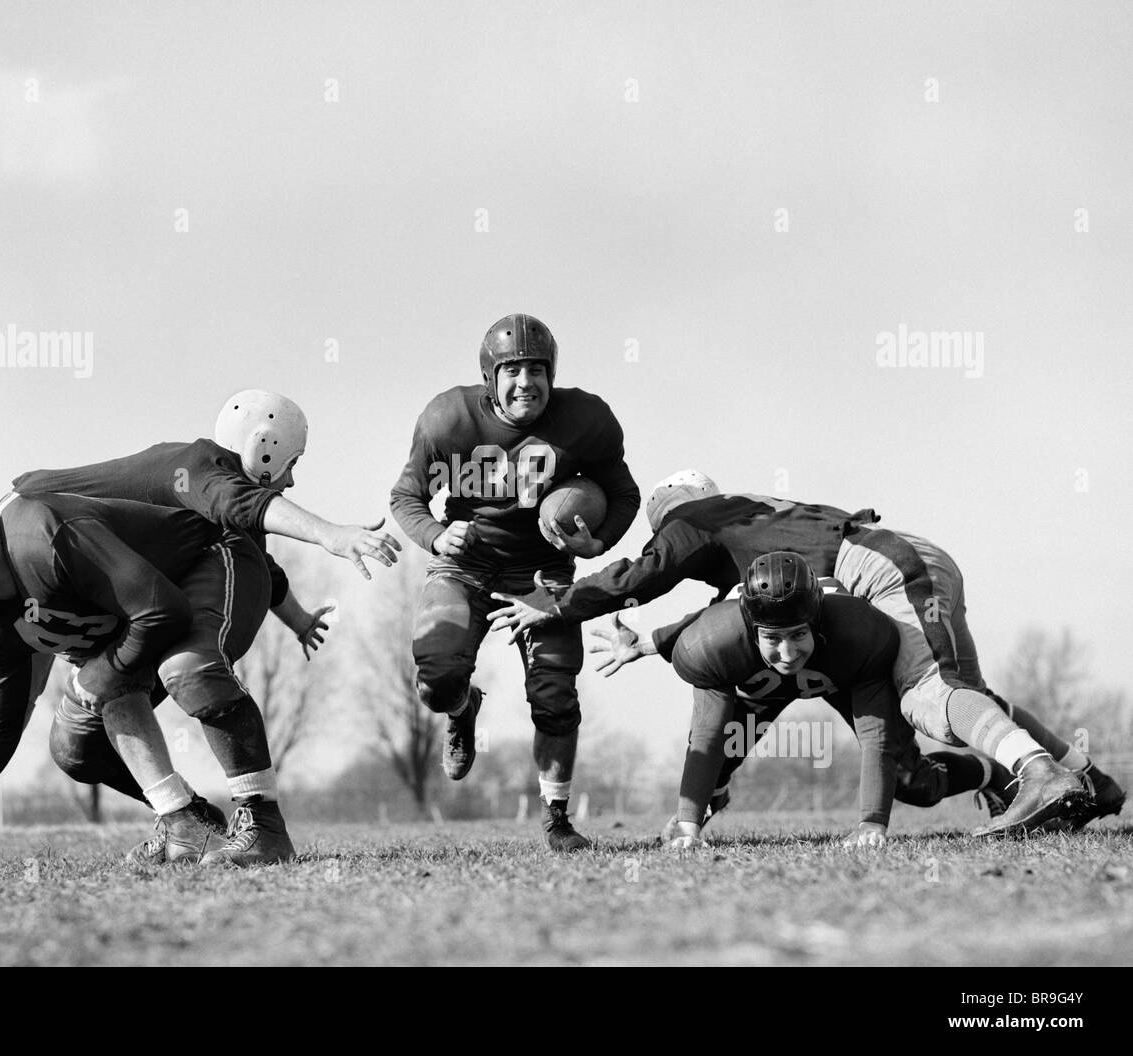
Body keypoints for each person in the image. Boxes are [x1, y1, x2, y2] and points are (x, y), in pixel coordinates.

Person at [489, 470, 1118, 835]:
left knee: (930, 695)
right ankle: (1084, 776)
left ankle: (1038, 773)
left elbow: (639, 574)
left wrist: (559, 603)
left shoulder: (695, 520)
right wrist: (651, 642)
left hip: (881, 567)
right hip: (887, 564)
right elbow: (723, 616)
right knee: (953, 704)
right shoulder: (748, 530)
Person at [0, 482, 248, 868]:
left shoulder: (42, 539)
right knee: (74, 749)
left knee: (139, 682)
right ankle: (191, 817)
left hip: (210, 565)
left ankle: (256, 818)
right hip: (144, 618)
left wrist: (97, 675)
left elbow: (159, 610)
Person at [389, 314, 640, 850]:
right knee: (435, 678)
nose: (526, 381)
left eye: (536, 369)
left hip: (542, 576)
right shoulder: (446, 419)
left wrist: (599, 543)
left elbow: (624, 494)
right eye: (512, 370)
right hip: (466, 566)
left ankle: (557, 818)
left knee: (554, 695)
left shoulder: (587, 420)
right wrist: (436, 536)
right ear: (489, 378)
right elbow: (404, 498)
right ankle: (463, 710)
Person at [591, 552, 907, 846]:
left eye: (798, 634)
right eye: (772, 637)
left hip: (836, 673)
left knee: (911, 778)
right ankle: (712, 799)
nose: (787, 653)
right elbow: (706, 739)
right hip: (760, 686)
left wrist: (872, 824)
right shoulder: (715, 642)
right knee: (721, 756)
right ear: (751, 631)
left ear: (817, 624)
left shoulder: (857, 633)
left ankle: (956, 770)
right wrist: (688, 826)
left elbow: (877, 739)